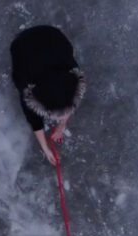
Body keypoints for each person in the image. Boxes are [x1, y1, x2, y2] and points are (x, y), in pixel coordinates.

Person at [10, 25, 87, 166]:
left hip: (52, 35)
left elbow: (70, 100)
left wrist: (62, 125)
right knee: (17, 74)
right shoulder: (26, 85)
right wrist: (45, 148)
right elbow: (34, 120)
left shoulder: (72, 75)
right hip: (23, 43)